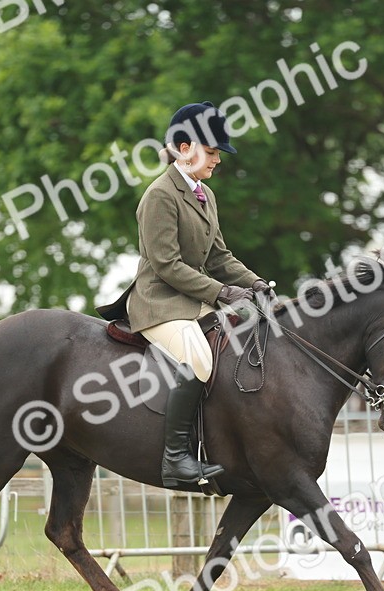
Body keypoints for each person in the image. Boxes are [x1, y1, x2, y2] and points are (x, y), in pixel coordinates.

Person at [99, 101, 271, 487]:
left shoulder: (205, 196)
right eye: (211, 152)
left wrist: (255, 283)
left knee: (250, 330)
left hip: (192, 298)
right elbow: (167, 266)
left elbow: (220, 257)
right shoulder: (159, 195)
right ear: (183, 148)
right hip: (159, 301)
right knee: (199, 358)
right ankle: (175, 458)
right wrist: (224, 292)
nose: (217, 161)